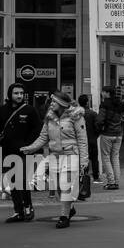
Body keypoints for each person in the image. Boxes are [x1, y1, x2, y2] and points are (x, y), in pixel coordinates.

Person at [21, 91, 88, 229]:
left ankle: (64, 217)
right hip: (55, 156)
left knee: (65, 186)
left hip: (71, 154)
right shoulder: (50, 118)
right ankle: (70, 208)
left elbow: (82, 140)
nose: (51, 104)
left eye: (54, 102)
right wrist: (31, 148)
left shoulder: (75, 117)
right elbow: (43, 137)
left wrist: (84, 161)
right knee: (58, 187)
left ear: (62, 104)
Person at [0, 84, 42, 223]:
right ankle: (18, 211)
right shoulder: (2, 110)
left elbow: (37, 129)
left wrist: (29, 145)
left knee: (22, 180)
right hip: (7, 149)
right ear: (10, 94)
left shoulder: (30, 110)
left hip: (24, 151)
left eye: (21, 93)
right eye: (16, 93)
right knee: (13, 181)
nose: (19, 96)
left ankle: (28, 207)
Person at [97, 88, 124, 191]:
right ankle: (116, 182)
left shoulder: (104, 104)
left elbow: (100, 119)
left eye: (103, 91)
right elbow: (123, 118)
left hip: (107, 134)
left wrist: (99, 128)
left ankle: (111, 182)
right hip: (119, 134)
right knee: (115, 157)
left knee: (106, 157)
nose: (101, 93)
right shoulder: (120, 104)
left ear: (107, 93)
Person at [78, 94, 100, 183]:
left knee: (83, 159)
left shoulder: (77, 114)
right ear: (87, 102)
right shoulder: (93, 114)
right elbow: (98, 126)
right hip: (92, 139)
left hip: (81, 140)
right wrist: (96, 135)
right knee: (94, 159)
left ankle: (84, 176)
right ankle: (96, 177)